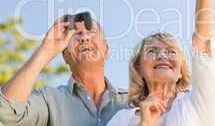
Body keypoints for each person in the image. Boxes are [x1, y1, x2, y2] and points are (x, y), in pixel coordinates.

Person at [0, 19, 128, 126]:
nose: (84, 38)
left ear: (106, 51)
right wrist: (45, 51)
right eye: (76, 34)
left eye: (92, 32)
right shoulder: (49, 100)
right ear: (65, 56)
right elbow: (7, 111)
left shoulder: (133, 101)